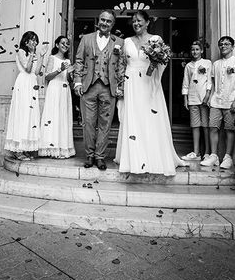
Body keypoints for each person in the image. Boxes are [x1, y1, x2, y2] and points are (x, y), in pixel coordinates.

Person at [114, 10, 188, 175]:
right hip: (131, 82)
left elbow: (163, 63)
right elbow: (122, 65)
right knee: (134, 117)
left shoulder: (156, 40)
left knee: (150, 118)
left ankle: (152, 156)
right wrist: (120, 86)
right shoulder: (127, 41)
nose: (136, 23)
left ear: (147, 22)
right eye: (134, 21)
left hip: (149, 84)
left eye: (139, 20)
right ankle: (133, 157)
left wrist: (155, 65)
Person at [74, 10, 125, 170]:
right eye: (102, 20)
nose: (104, 23)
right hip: (89, 86)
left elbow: (121, 65)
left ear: (112, 24)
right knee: (88, 123)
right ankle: (89, 155)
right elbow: (79, 60)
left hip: (109, 88)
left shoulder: (119, 42)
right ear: (98, 21)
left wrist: (120, 86)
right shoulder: (87, 39)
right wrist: (77, 82)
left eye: (108, 21)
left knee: (105, 124)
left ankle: (100, 156)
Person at [200, 36, 235, 170]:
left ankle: (228, 157)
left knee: (229, 130)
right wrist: (210, 98)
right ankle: (214, 156)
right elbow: (213, 83)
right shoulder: (216, 64)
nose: (223, 46)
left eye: (226, 44)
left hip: (231, 101)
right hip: (216, 101)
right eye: (221, 44)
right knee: (213, 127)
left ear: (232, 46)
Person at [4, 31, 48, 160]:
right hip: (23, 84)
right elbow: (28, 69)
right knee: (22, 114)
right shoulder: (21, 52)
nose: (34, 42)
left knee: (30, 115)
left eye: (35, 40)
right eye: (32, 40)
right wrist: (33, 53)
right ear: (26, 41)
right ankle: (18, 150)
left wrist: (41, 55)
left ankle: (26, 148)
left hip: (32, 83)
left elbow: (37, 71)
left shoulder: (34, 54)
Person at [39, 36, 76, 159]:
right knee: (53, 116)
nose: (65, 45)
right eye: (63, 43)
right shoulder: (52, 58)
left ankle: (62, 147)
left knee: (63, 117)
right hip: (54, 89)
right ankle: (51, 148)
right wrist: (60, 69)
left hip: (65, 91)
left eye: (67, 43)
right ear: (57, 45)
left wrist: (71, 74)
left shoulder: (68, 61)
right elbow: (47, 77)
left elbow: (70, 80)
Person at [181, 40, 212, 161]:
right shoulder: (188, 66)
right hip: (192, 98)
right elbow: (186, 82)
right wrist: (185, 98)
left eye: (197, 49)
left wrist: (208, 95)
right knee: (195, 125)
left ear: (202, 50)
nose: (195, 52)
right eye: (193, 49)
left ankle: (207, 152)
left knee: (205, 125)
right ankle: (196, 152)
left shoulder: (207, 63)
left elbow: (209, 80)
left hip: (204, 97)